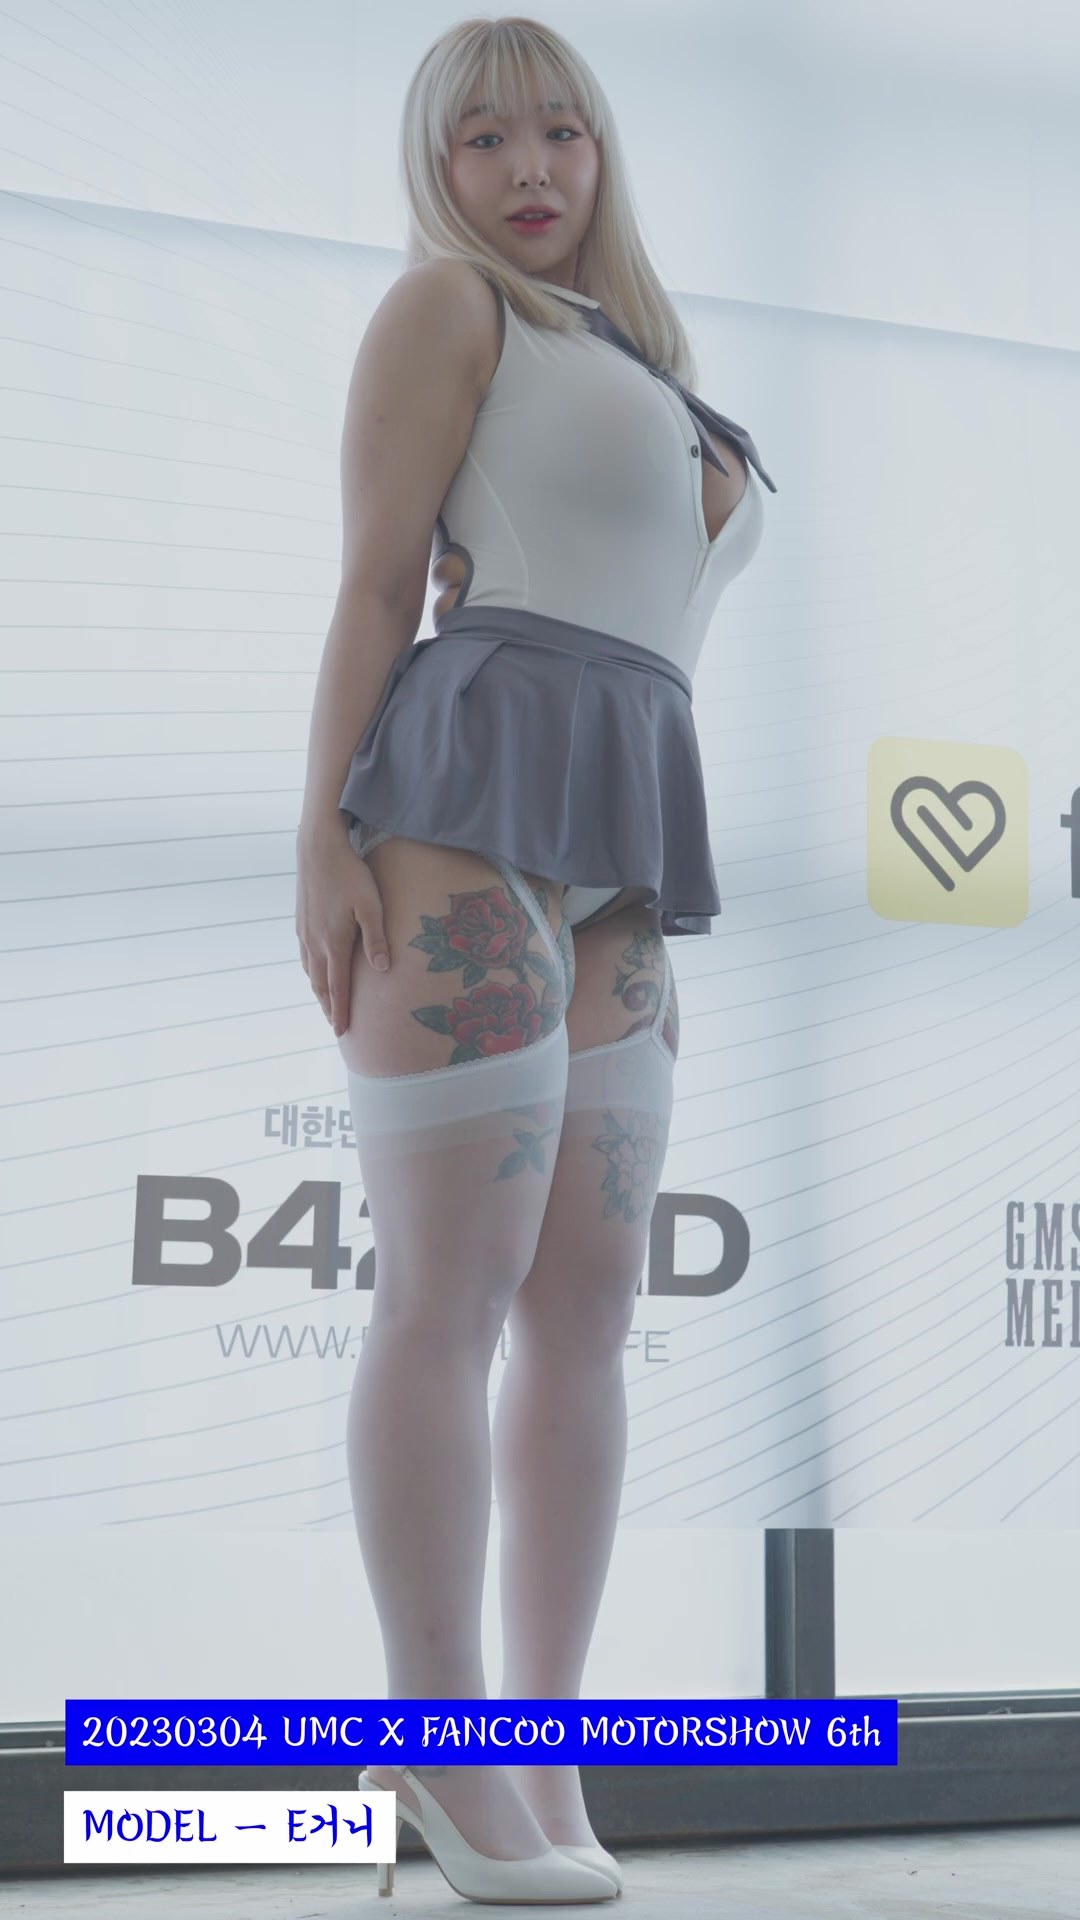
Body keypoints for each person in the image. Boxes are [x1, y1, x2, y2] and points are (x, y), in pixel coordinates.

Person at [294, 15, 775, 1906]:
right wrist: (320, 836)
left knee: (588, 1306)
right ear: (441, 169)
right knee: (453, 1293)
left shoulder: (645, 360)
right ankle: (434, 1737)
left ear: (602, 151)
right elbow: (373, 579)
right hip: (465, 802)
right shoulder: (451, 307)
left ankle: (541, 1744)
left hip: (625, 845)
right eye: (483, 140)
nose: (528, 171)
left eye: (559, 132)